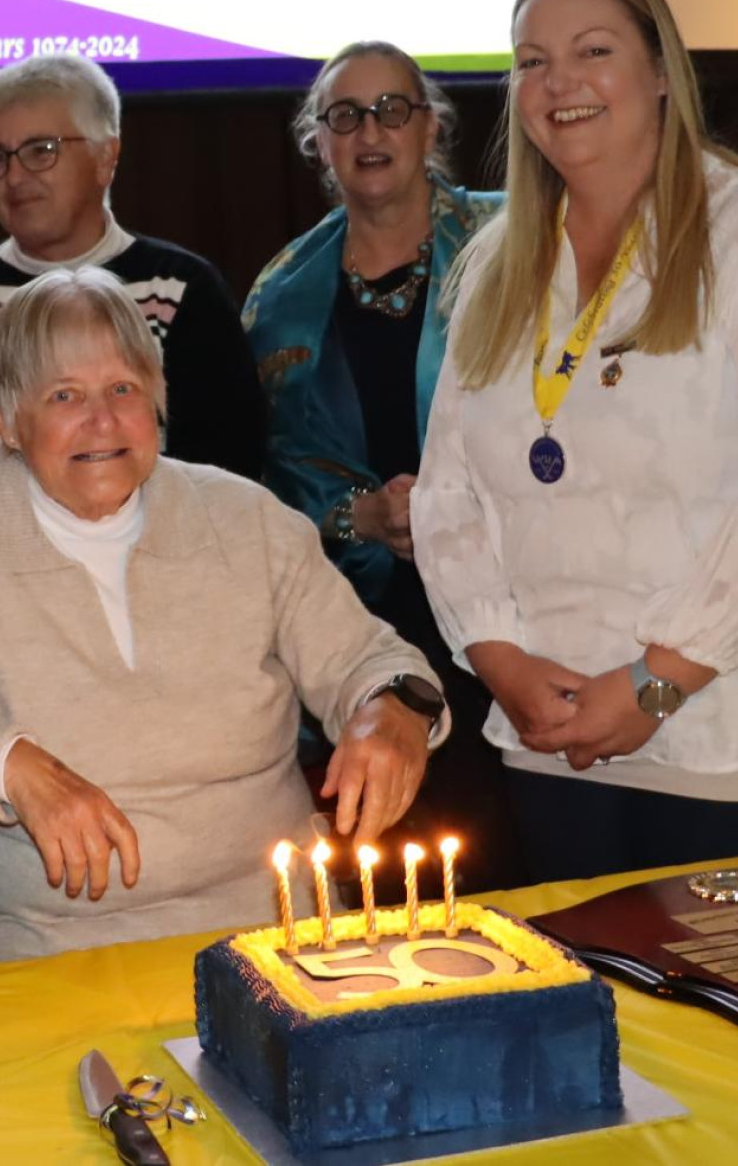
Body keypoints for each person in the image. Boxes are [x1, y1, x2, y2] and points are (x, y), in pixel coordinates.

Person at [0, 268, 442, 963]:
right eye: (65, 395)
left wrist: (394, 707)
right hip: (50, 957)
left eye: (123, 389)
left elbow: (375, 662)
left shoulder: (245, 519)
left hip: (277, 939)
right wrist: (2, 763)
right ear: (9, 419)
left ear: (157, 402)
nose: (101, 420)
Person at [414, 0, 738, 881]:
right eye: (530, 61)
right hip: (547, 738)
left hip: (732, 742)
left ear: (660, 73)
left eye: (592, 51)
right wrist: (500, 660)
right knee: (586, 1024)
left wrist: (660, 680)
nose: (560, 83)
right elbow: (446, 493)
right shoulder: (493, 265)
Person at [243, 43, 522, 891]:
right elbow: (265, 481)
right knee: (391, 894)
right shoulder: (278, 294)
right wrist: (358, 517)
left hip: (518, 614)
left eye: (392, 109)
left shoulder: (517, 240)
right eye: (345, 115)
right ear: (317, 142)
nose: (371, 130)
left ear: (430, 124)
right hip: (360, 631)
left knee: (520, 875)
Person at [0, 53, 266, 482]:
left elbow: (223, 475)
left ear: (105, 158)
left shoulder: (178, 289)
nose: (15, 177)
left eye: (41, 151)